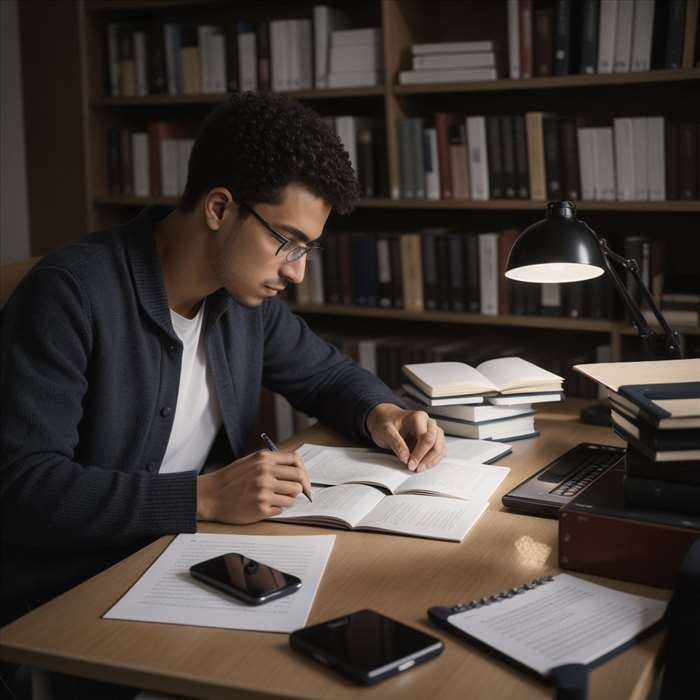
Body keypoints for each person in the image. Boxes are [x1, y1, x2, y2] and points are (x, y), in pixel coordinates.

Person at [0, 92, 445, 657]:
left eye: (309, 248)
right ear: (218, 208)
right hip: (75, 598)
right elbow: (22, 488)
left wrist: (387, 414)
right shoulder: (71, 294)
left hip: (194, 564)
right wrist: (201, 497)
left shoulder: (239, 304)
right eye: (286, 241)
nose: (296, 271)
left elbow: (328, 376)